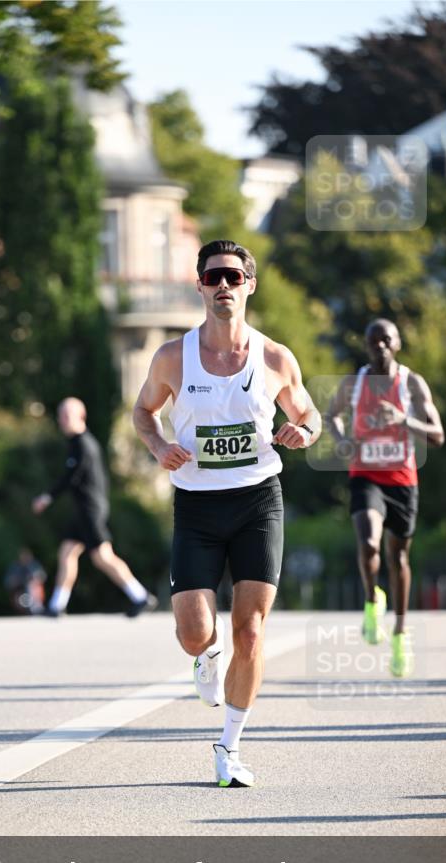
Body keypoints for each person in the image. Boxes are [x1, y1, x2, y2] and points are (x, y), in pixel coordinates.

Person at [133, 239, 321, 787]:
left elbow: (308, 414)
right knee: (194, 632)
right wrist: (158, 446)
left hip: (258, 499)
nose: (223, 286)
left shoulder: (274, 358)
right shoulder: (173, 356)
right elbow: (143, 411)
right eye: (213, 277)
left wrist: (302, 431)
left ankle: (229, 748)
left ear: (249, 286)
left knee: (253, 630)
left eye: (233, 278)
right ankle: (205, 655)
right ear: (199, 286)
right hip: (196, 505)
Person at [327, 318, 444, 676]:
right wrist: (342, 439)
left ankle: (399, 631)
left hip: (402, 481)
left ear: (397, 343)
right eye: (372, 341)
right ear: (365, 345)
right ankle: (371, 600)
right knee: (369, 545)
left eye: (385, 340)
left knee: (399, 557)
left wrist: (403, 419)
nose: (378, 346)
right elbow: (332, 416)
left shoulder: (411, 382)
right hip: (365, 476)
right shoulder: (355, 382)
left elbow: (438, 434)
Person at [32, 397, 157, 617]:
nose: (62, 420)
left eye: (66, 415)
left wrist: (47, 497)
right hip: (82, 511)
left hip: (90, 511)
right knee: (67, 554)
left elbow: (71, 477)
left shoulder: (83, 444)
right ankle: (56, 606)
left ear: (81, 417)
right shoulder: (76, 443)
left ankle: (140, 596)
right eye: (61, 415)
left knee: (103, 557)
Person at [3, 548, 46, 615]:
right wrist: (16, 580)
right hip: (19, 590)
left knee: (33, 586)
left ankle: (36, 607)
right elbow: (7, 582)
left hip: (33, 590)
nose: (25, 557)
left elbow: (42, 577)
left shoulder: (34, 565)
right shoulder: (15, 567)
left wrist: (34, 579)